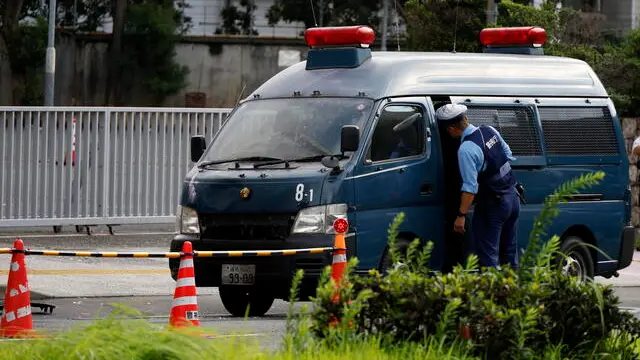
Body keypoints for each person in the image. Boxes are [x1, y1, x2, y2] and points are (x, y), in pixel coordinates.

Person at [434, 104, 520, 269]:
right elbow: (508, 154)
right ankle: (512, 291)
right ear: (465, 118)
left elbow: (470, 188)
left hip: (493, 205)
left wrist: (461, 216)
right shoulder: (489, 130)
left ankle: (492, 292)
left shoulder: (466, 149)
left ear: (451, 129)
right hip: (513, 197)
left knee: (489, 257)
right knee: (509, 253)